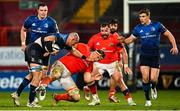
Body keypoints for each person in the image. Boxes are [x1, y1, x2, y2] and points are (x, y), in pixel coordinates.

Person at [123, 9, 179, 106]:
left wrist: (174, 46)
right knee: (145, 78)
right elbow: (129, 40)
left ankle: (153, 87)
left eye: (143, 16)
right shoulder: (138, 28)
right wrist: (122, 40)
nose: (141, 19)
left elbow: (169, 35)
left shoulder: (157, 25)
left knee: (153, 79)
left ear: (148, 16)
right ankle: (148, 100)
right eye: (140, 17)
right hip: (144, 55)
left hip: (155, 55)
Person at [11, 32, 83, 107]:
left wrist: (84, 57)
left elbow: (74, 51)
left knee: (34, 75)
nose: (74, 45)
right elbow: (47, 39)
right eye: (74, 43)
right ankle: (31, 102)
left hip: (39, 53)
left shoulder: (65, 43)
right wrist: (51, 50)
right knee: (37, 76)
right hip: (34, 50)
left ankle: (17, 93)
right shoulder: (58, 37)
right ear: (72, 39)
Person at [11, 3, 59, 106]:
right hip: (32, 50)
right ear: (37, 10)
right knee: (36, 74)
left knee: (42, 75)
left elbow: (56, 36)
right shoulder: (31, 20)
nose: (43, 12)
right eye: (41, 10)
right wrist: (23, 44)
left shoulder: (51, 22)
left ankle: (17, 93)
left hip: (45, 51)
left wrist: (50, 50)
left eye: (45, 10)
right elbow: (23, 29)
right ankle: (31, 101)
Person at [84, 22, 136, 106]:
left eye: (106, 30)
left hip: (112, 64)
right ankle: (95, 99)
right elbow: (87, 50)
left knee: (120, 80)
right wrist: (90, 57)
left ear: (109, 30)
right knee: (90, 80)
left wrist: (126, 66)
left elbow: (123, 52)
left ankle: (130, 100)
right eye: (102, 31)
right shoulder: (94, 38)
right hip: (98, 63)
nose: (104, 32)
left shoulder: (115, 39)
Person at [36, 43, 105, 106]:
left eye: (99, 60)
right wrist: (55, 49)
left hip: (66, 76)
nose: (97, 60)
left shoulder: (90, 65)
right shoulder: (84, 47)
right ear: (95, 53)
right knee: (56, 75)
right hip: (60, 65)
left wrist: (94, 79)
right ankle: (42, 87)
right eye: (98, 57)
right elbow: (69, 46)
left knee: (76, 97)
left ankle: (57, 97)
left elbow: (87, 80)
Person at [108, 19, 134, 103]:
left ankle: (127, 98)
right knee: (116, 79)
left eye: (115, 25)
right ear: (108, 26)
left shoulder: (117, 37)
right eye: (111, 25)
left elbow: (123, 52)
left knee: (118, 79)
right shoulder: (102, 35)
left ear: (117, 27)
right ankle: (111, 95)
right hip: (103, 62)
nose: (113, 27)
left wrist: (124, 64)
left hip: (115, 61)